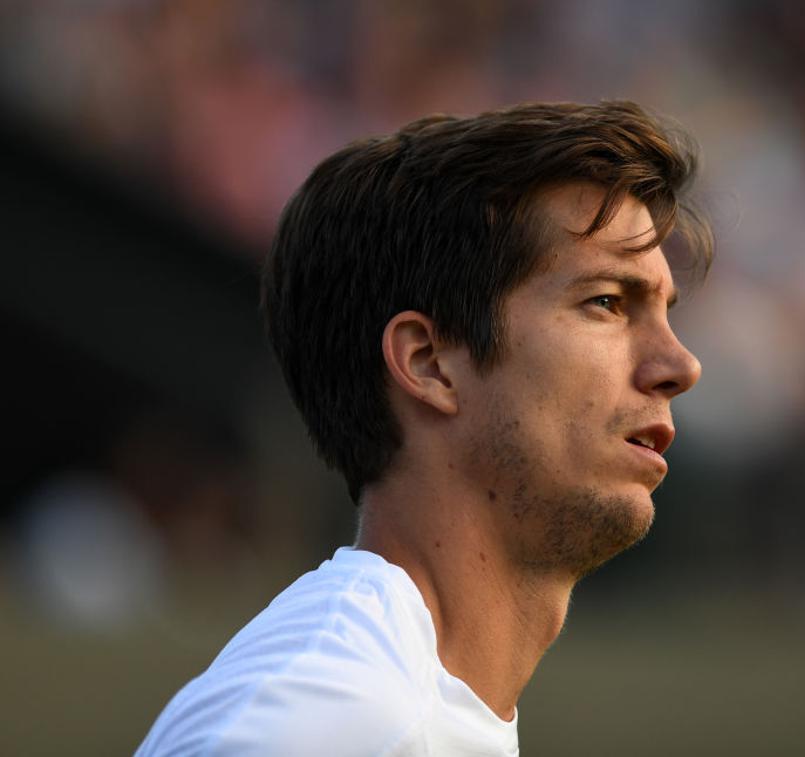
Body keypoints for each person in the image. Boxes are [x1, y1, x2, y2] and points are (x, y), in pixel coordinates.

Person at [136, 101, 711, 756]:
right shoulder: (327, 716)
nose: (680, 364)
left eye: (665, 310)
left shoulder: (396, 708)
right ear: (430, 363)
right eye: (606, 301)